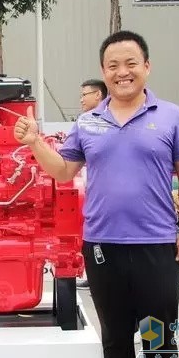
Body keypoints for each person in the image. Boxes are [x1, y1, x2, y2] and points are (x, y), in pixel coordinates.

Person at [14, 30, 179, 358]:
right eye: (113, 66)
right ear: (104, 72)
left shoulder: (171, 116)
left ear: (147, 66)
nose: (122, 72)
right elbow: (63, 170)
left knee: (159, 343)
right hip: (102, 247)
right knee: (115, 343)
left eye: (131, 63)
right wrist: (34, 142)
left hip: (156, 246)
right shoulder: (87, 122)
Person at [76, 79, 107, 290]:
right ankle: (94, 273)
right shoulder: (84, 122)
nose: (81, 100)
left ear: (98, 95)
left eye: (84, 95)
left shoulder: (106, 121)